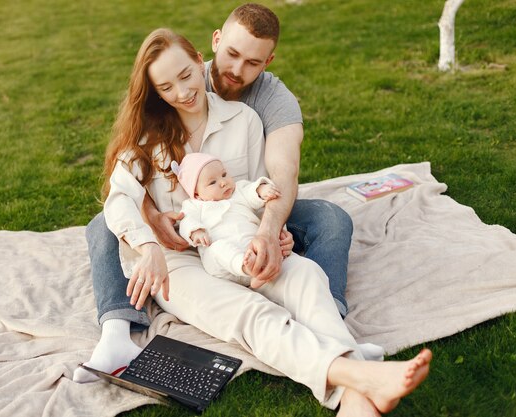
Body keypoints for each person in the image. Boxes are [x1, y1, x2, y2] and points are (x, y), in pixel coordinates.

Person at [74, 27, 432, 416]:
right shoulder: (145, 139)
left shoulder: (243, 119)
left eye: (186, 76)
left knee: (307, 277)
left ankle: (354, 397)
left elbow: (260, 190)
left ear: (199, 62)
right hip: (179, 261)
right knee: (249, 312)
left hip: (240, 239)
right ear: (155, 92)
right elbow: (119, 200)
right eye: (166, 87)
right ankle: (356, 378)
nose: (182, 92)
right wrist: (147, 248)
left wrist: (273, 232)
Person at [81, 4, 353, 380]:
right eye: (232, 55)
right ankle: (116, 328)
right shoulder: (153, 128)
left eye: (252, 62)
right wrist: (149, 232)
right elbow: (122, 191)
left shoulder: (256, 112)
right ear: (213, 47)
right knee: (105, 223)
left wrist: (271, 228)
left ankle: (331, 327)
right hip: (181, 252)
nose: (237, 70)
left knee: (323, 238)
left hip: (236, 229)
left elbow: (278, 176)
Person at [171, 152, 281, 288]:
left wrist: (261, 190)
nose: (223, 182)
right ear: (196, 193)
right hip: (222, 265)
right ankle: (247, 268)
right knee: (218, 248)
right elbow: (186, 220)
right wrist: (196, 231)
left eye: (224, 175)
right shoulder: (194, 205)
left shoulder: (239, 190)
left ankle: (258, 272)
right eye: (212, 182)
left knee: (263, 245)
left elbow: (251, 191)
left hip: (251, 248)